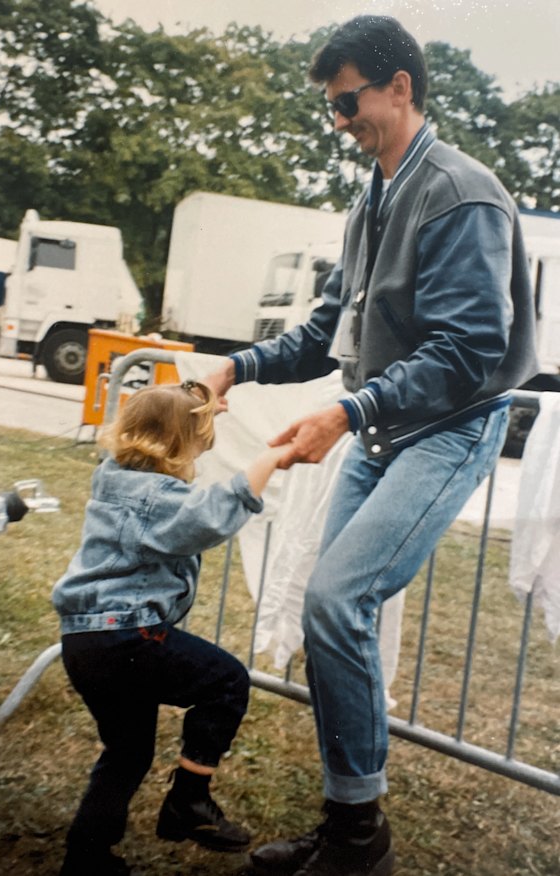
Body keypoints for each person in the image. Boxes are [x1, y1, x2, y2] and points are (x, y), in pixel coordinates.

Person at [204, 14, 538, 876]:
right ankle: (351, 824)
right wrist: (233, 368)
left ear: (400, 87)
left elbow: (468, 351)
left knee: (335, 598)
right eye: (331, 106)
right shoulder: (371, 200)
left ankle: (358, 839)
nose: (338, 120)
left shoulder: (460, 191)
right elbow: (326, 333)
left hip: (449, 429)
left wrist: (346, 416)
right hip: (387, 428)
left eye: (348, 101)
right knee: (328, 611)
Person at [52, 381, 292, 876]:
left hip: (84, 641)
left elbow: (170, 428)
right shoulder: (155, 497)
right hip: (126, 636)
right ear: (179, 445)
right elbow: (207, 519)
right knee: (226, 682)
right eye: (199, 442)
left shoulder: (113, 477)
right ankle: (189, 799)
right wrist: (269, 460)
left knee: (128, 751)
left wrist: (200, 408)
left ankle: (87, 857)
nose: (201, 454)